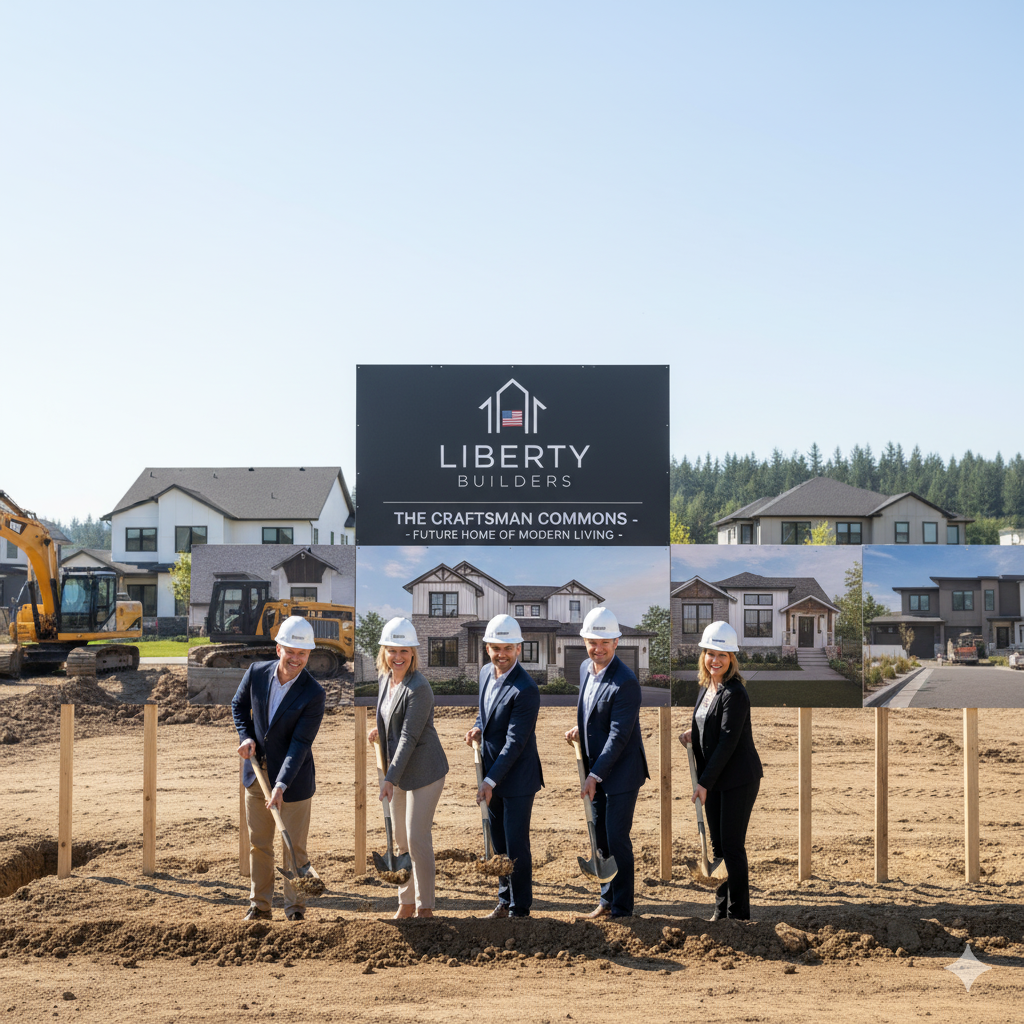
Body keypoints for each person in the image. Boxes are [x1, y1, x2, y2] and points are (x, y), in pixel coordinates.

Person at [232, 615, 326, 922]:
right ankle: (259, 906)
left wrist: (282, 784)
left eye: (303, 653)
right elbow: (238, 705)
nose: (296, 658)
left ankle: (295, 909)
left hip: (294, 782)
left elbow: (300, 743)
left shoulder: (313, 694)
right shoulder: (257, 673)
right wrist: (245, 736)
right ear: (278, 649)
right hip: (256, 777)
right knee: (259, 844)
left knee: (294, 848)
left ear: (309, 655)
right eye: (291, 651)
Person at [564, 606, 648, 919]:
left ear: (616, 642)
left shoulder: (626, 682)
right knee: (598, 834)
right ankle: (606, 899)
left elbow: (619, 736)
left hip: (622, 771)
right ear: (584, 641)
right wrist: (581, 731)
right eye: (592, 642)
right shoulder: (588, 667)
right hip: (595, 768)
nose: (597, 649)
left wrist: (595, 775)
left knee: (615, 835)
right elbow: (591, 712)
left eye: (604, 642)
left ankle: (623, 907)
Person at [680, 620, 763, 921]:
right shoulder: (707, 689)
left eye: (723, 655)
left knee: (731, 845)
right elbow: (709, 727)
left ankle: (738, 915)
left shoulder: (734, 693)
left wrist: (703, 783)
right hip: (714, 778)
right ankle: (720, 913)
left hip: (738, 778)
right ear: (703, 655)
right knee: (717, 847)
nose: (715, 660)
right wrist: (693, 735)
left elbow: (728, 741)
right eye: (710, 654)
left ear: (732, 659)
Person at [367, 617, 449, 919]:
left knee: (416, 837)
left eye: (404, 651)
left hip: (425, 771)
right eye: (392, 651)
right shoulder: (384, 678)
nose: (398, 657)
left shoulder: (419, 687)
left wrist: (389, 778)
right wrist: (378, 733)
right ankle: (406, 903)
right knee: (400, 838)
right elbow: (391, 721)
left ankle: (425, 907)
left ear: (413, 653)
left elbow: (410, 737)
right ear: (384, 652)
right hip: (397, 770)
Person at [464, 614, 543, 919]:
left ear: (518, 649)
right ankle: (503, 900)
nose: (502, 654)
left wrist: (490, 781)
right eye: (496, 647)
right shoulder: (486, 673)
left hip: (517, 777)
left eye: (508, 648)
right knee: (498, 840)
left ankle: (520, 909)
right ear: (487, 649)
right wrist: (477, 727)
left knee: (515, 842)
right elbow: (485, 713)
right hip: (491, 773)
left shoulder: (526, 689)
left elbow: (515, 743)